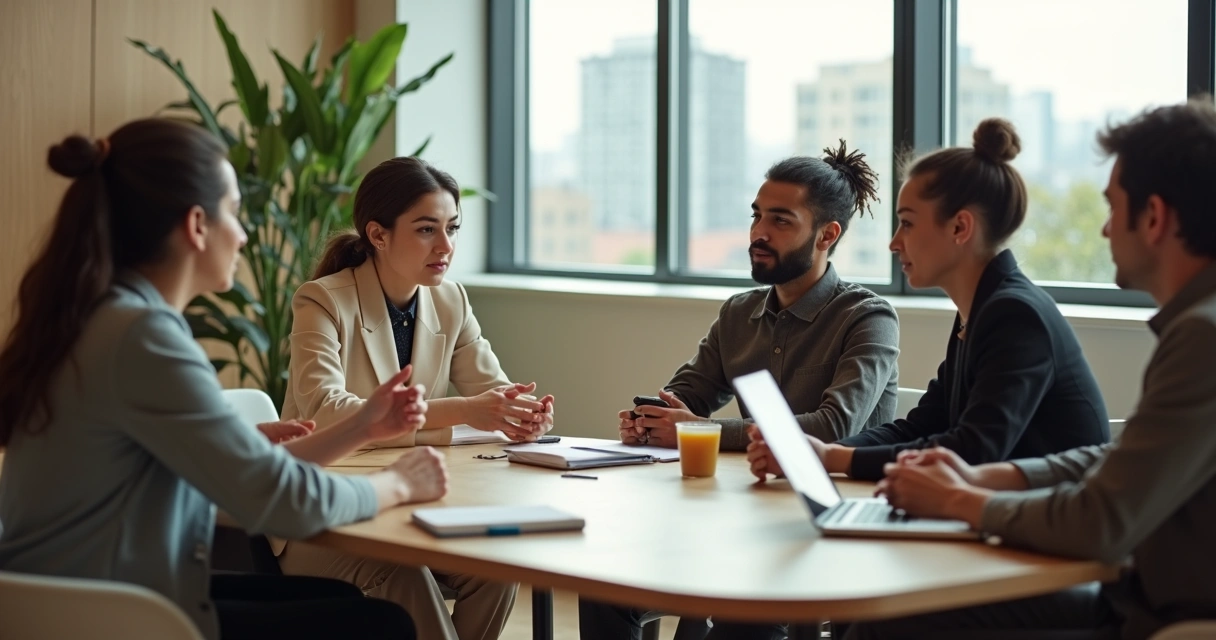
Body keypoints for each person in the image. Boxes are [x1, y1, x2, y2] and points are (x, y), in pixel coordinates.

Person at [0, 118, 449, 640]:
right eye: (234, 212)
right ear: (196, 225)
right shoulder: (143, 337)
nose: (242, 233)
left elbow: (233, 476)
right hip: (114, 617)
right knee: (381, 625)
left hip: (71, 603)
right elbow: (283, 502)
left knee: (347, 605)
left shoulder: (98, 318)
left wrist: (361, 427)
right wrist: (399, 483)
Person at [844, 99, 1216, 640]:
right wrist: (993, 478)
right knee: (884, 616)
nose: (1106, 231)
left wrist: (960, 499)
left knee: (889, 625)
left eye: (1113, 209)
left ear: (1155, 218)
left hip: (1162, 619)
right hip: (1135, 597)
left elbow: (1101, 522)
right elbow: (1121, 458)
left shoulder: (1202, 337)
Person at [582, 143, 901, 640]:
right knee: (602, 588)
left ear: (827, 235)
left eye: (780, 221)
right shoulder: (738, 312)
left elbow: (834, 427)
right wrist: (651, 418)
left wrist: (697, 429)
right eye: (756, 216)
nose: (758, 233)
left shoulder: (868, 317)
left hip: (823, 523)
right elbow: (687, 392)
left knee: (740, 619)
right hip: (739, 512)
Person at [748, 119, 1109, 490]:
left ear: (959, 228)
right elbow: (923, 425)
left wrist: (831, 457)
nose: (894, 243)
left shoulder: (1015, 314)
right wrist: (821, 453)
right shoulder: (980, 309)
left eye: (907, 224)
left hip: (1055, 530)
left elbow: (973, 450)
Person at [279, 156, 539, 640]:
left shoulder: (450, 299)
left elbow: (492, 390)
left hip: (409, 502)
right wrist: (466, 411)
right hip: (318, 516)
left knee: (498, 563)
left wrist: (519, 414)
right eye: (426, 230)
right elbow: (326, 413)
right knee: (403, 574)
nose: (446, 246)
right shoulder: (322, 300)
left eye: (453, 228)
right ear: (378, 234)